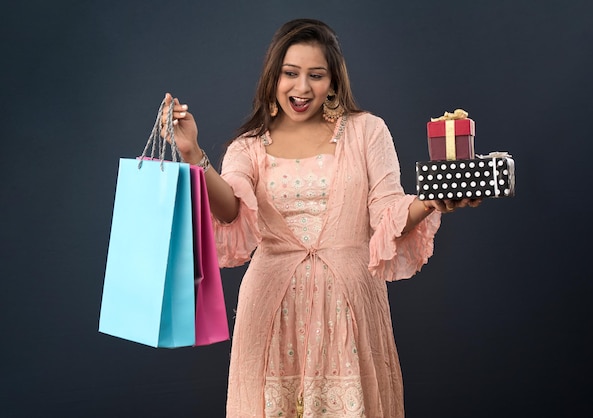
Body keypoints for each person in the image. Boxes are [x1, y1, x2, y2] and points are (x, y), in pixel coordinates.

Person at [163, 18, 479, 418]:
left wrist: (433, 201)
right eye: (290, 74)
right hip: (271, 311)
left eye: (316, 75)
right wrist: (192, 155)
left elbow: (388, 212)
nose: (302, 88)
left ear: (333, 81)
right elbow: (229, 210)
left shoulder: (368, 132)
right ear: (273, 77)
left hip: (350, 309)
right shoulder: (248, 147)